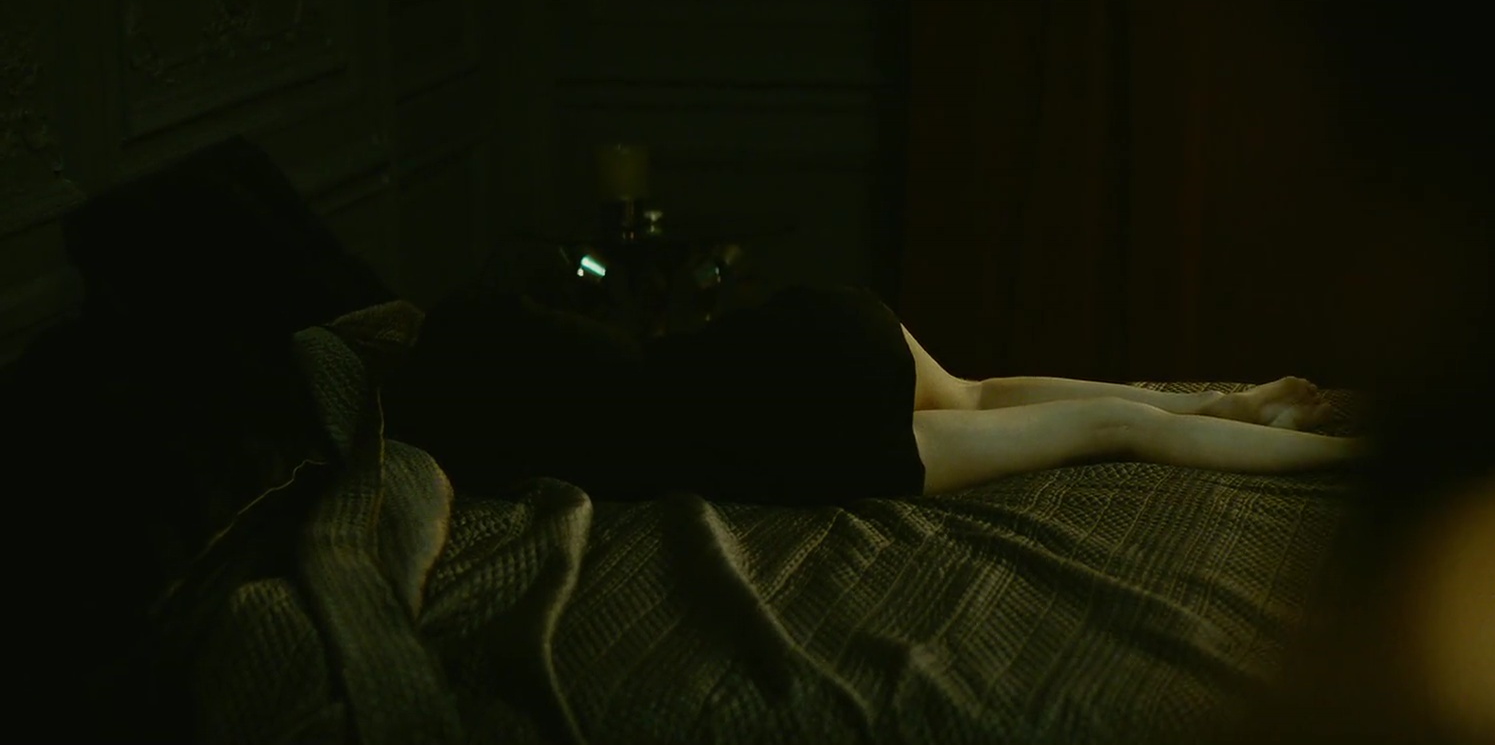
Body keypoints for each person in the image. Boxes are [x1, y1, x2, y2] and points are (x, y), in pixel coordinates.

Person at [380, 284, 1362, 507]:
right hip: (810, 329)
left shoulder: (448, 431)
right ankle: (1226, 403)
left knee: (1108, 430)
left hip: (794, 416)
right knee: (975, 394)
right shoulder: (464, 324)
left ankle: (1353, 457)